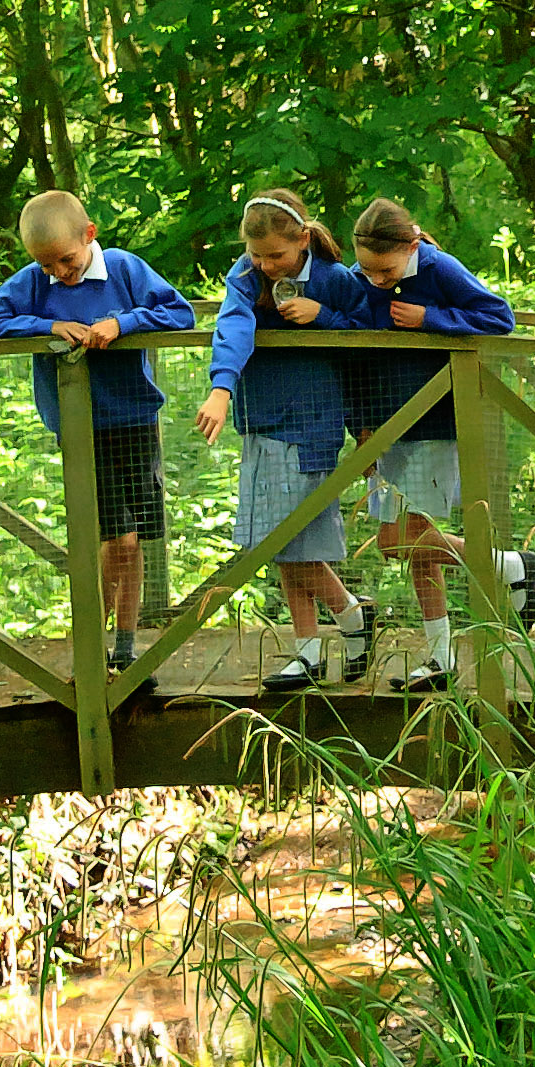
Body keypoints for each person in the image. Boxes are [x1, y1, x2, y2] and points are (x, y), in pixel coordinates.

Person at [313, 197, 535, 684]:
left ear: (413, 245)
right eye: (368, 269)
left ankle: (510, 566)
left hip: (434, 425)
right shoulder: (360, 279)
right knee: (407, 549)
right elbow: (355, 354)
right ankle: (442, 653)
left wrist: (431, 319)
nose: (376, 279)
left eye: (385, 269)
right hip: (385, 428)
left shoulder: (439, 269)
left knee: (399, 543)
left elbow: (500, 318)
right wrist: (361, 427)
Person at [0, 193, 197, 673]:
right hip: (80, 430)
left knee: (134, 543)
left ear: (89, 235)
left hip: (135, 422)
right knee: (116, 539)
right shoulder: (35, 283)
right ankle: (96, 644)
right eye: (46, 264)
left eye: (66, 261)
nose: (58, 273)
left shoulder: (125, 270)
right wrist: (47, 324)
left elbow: (182, 313)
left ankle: (126, 647)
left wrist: (122, 322)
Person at [194, 190, 373, 693]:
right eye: (258, 256)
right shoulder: (246, 277)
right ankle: (312, 649)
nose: (268, 266)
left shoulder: (335, 280)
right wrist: (222, 388)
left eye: (277, 256)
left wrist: (324, 317)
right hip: (261, 422)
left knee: (289, 541)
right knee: (284, 547)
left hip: (311, 427)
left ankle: (352, 620)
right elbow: (232, 325)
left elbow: (369, 333)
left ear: (302, 240)